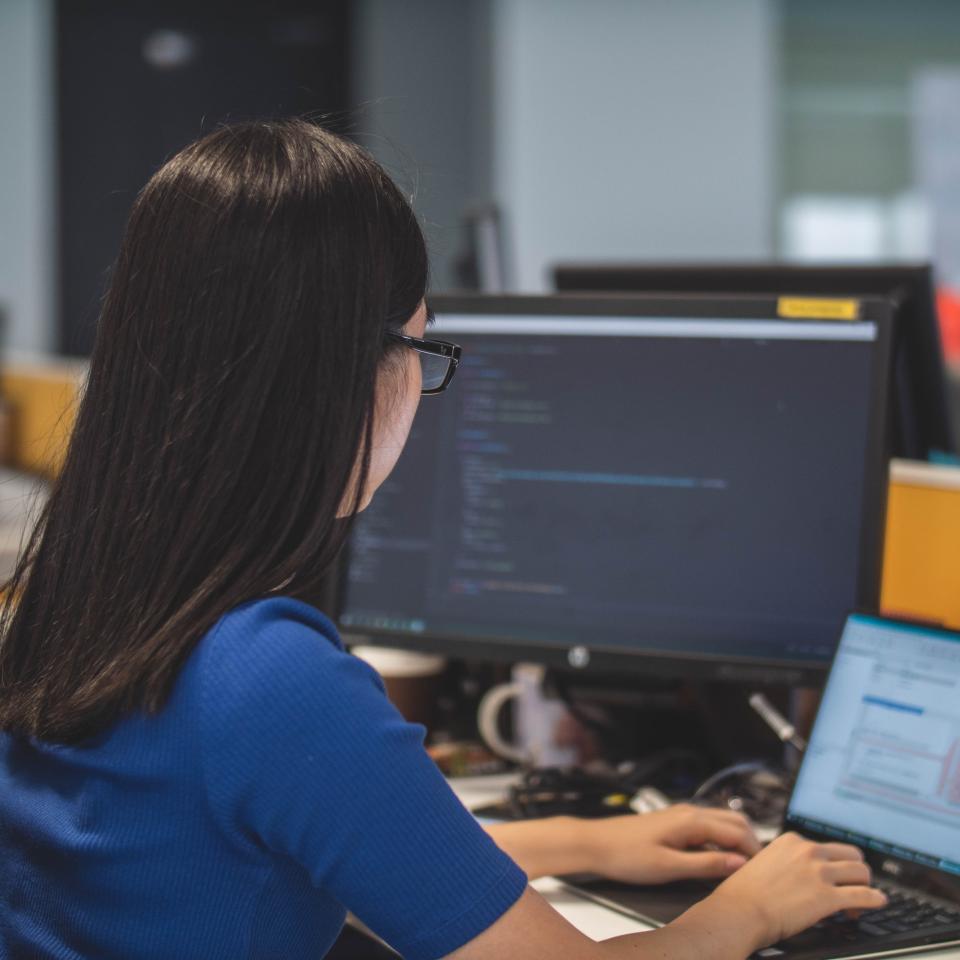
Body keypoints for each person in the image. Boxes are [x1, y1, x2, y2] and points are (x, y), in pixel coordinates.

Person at [0, 119, 885, 960]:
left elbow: (302, 831)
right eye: (420, 352)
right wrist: (750, 908)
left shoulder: (71, 604)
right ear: (339, 371)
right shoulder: (270, 680)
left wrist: (586, 840)